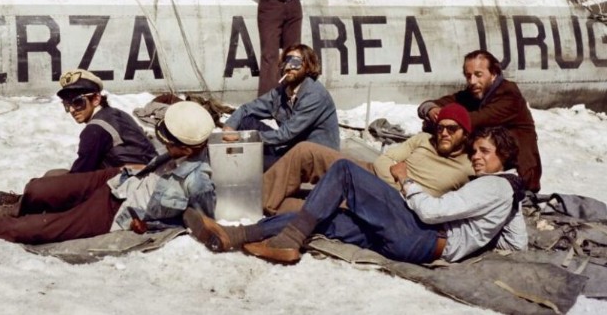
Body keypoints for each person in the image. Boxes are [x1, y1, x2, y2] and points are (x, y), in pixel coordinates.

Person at [183, 126, 527, 266]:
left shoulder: (492, 186)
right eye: (476, 151)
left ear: (504, 157)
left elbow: (433, 212)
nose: (476, 157)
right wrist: (484, 236)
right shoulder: (508, 191)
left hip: (421, 233)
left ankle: (287, 241)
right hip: (416, 246)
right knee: (326, 217)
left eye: (485, 152)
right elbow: (517, 243)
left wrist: (406, 181)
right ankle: (236, 235)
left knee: (345, 172)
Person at [0, 101, 217, 244]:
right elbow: (157, 168)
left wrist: (150, 226)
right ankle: (21, 206)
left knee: (32, 231)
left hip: (116, 210)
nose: (164, 144)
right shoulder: (181, 148)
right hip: (119, 178)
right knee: (40, 187)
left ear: (188, 147)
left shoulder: (199, 180)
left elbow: (195, 220)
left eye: (170, 142)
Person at [262, 103, 475, 215]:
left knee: (321, 206)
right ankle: (257, 202)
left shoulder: (469, 167)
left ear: (465, 134)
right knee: (306, 151)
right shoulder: (423, 139)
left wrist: (402, 183)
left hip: (390, 202)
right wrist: (397, 182)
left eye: (452, 129)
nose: (444, 133)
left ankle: (272, 206)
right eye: (440, 128)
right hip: (372, 172)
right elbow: (384, 160)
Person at [0, 68, 159, 206]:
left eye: (78, 102)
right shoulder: (115, 113)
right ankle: (25, 199)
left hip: (128, 188)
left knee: (50, 183)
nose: (72, 110)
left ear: (96, 99)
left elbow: (79, 177)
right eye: (67, 104)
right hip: (143, 180)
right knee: (53, 174)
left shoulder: (95, 129)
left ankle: (20, 204)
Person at [417, 50, 542, 192]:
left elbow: (472, 121)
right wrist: (431, 109)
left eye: (478, 75)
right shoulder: (474, 93)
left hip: (518, 176)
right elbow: (431, 104)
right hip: (488, 168)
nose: (472, 81)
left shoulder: (509, 96)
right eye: (468, 76)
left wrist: (439, 121)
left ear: (493, 74)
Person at [223, 44, 339, 171]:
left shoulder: (314, 95)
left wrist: (245, 138)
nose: (288, 67)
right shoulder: (282, 91)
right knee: (245, 122)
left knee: (253, 163)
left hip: (314, 160)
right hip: (291, 147)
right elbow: (247, 109)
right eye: (286, 61)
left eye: (295, 62)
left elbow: (286, 134)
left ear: (308, 66)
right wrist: (230, 127)